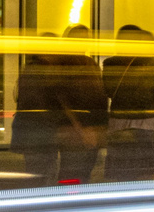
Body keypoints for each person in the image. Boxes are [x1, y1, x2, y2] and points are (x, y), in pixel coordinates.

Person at [102, 26, 154, 181]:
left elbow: (108, 90)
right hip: (146, 120)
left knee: (120, 170)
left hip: (119, 120)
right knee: (146, 170)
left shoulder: (110, 63)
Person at [52, 25, 107, 183]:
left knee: (80, 172)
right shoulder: (65, 64)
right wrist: (81, 129)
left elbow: (99, 97)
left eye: (86, 38)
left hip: (88, 127)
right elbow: (63, 99)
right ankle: (68, 203)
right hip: (74, 129)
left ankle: (71, 202)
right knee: (73, 172)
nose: (84, 42)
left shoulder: (90, 64)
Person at [9, 37, 60, 181]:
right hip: (41, 130)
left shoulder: (29, 68)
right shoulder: (45, 70)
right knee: (44, 171)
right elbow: (47, 101)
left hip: (29, 129)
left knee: (34, 171)